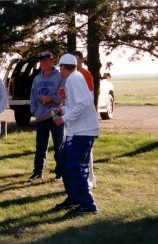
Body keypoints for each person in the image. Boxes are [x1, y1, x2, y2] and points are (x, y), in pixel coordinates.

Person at [53, 53, 99, 214]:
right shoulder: (74, 78)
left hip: (83, 131)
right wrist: (62, 109)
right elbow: (75, 104)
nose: (59, 70)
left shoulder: (74, 79)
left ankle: (88, 204)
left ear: (63, 67)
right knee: (65, 164)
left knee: (74, 168)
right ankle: (74, 198)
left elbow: (84, 103)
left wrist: (64, 118)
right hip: (76, 131)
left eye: (60, 67)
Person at [28, 51, 65, 182]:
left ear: (51, 60)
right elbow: (32, 95)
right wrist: (33, 110)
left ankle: (60, 173)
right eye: (41, 61)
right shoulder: (37, 78)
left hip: (55, 114)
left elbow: (62, 96)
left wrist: (50, 98)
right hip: (41, 115)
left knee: (58, 145)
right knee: (40, 145)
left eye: (45, 60)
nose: (43, 63)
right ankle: (37, 172)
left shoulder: (59, 76)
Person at [72, 50, 96, 189]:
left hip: (84, 119)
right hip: (74, 119)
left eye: (77, 60)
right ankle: (81, 177)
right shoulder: (72, 76)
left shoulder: (85, 75)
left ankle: (90, 178)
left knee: (86, 150)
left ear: (81, 61)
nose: (75, 63)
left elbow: (87, 99)